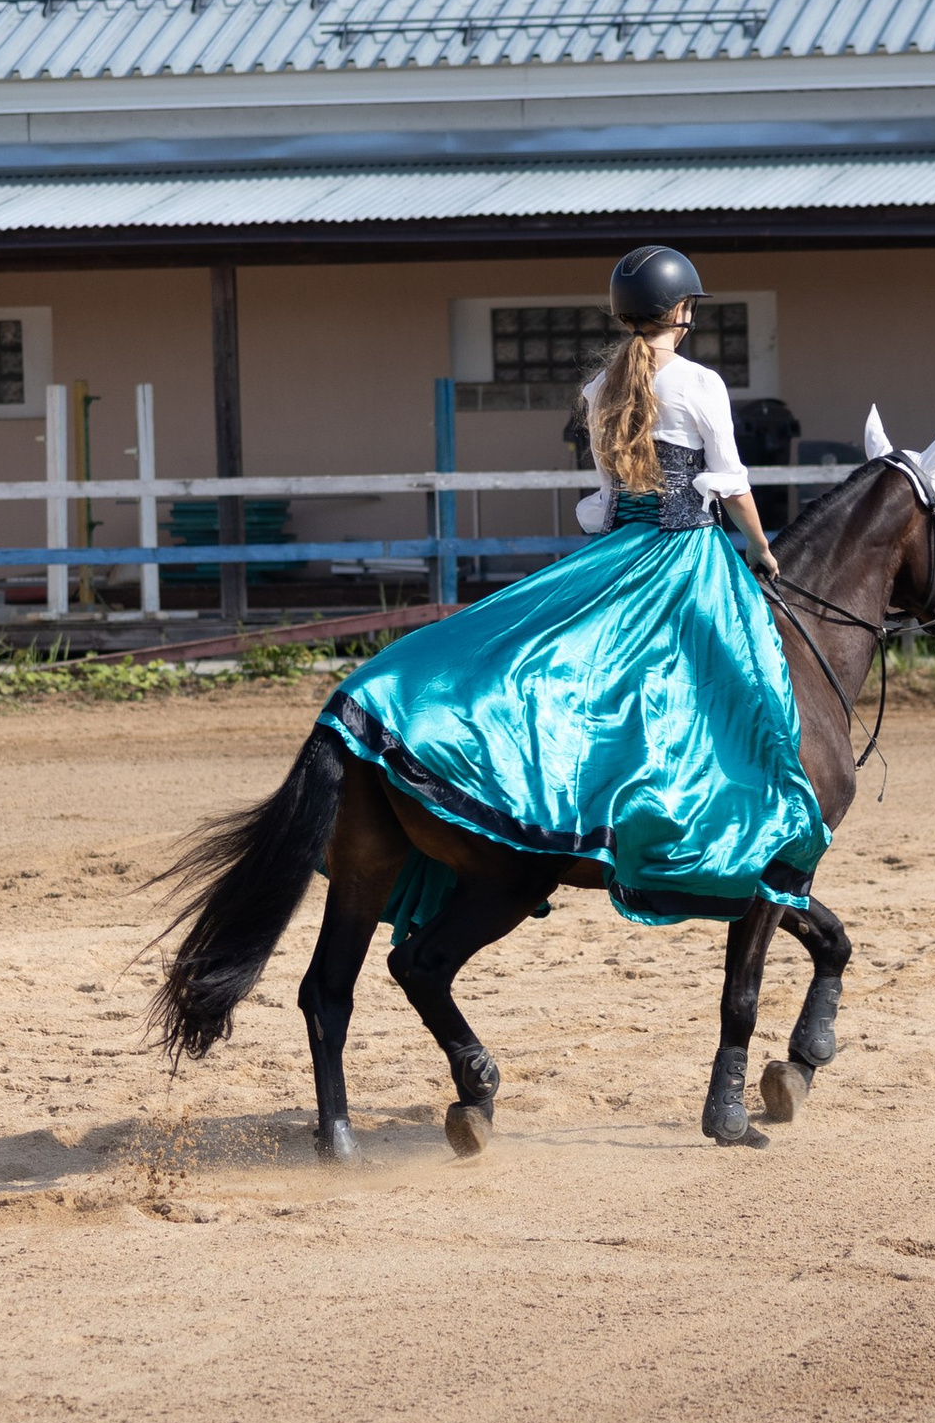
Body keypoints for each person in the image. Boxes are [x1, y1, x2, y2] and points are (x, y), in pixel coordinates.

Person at [323, 245, 830, 927]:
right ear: (681, 311)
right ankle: (710, 833)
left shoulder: (598, 390)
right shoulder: (701, 383)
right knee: (737, 688)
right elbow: (731, 481)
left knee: (569, 672)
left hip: (616, 549)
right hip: (684, 553)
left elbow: (608, 489)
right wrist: (763, 550)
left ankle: (539, 814)